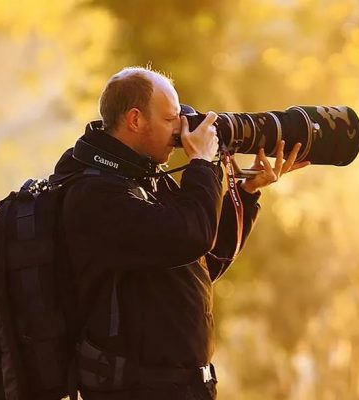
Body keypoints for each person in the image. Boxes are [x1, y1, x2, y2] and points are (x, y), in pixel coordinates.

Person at [51, 66, 309, 400]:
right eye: (172, 118)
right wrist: (201, 162)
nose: (182, 129)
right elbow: (191, 237)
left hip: (180, 387)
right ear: (135, 119)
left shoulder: (144, 180)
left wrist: (246, 191)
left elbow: (201, 261)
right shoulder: (96, 194)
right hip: (136, 391)